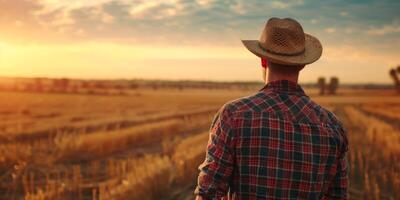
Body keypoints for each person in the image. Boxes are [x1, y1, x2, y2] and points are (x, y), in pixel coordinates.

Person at [194, 18, 348, 200]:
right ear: (303, 64)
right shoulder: (332, 127)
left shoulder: (234, 115)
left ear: (263, 61)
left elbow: (208, 194)